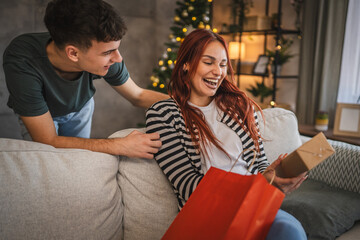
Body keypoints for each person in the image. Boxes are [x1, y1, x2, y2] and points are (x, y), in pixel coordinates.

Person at [146, 29, 307, 239]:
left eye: (222, 64)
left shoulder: (238, 108)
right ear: (186, 64)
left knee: (290, 231)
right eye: (208, 62)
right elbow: (188, 186)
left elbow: (259, 167)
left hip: (253, 207)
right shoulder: (163, 115)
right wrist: (256, 185)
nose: (218, 72)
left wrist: (272, 181)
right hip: (208, 215)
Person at [3, 0, 167, 158]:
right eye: (107, 52)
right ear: (73, 53)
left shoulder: (108, 53)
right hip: (41, 116)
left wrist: (187, 105)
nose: (118, 58)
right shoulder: (22, 60)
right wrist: (119, 145)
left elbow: (137, 96)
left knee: (78, 159)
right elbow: (48, 140)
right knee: (49, 162)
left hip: (81, 106)